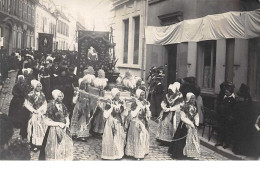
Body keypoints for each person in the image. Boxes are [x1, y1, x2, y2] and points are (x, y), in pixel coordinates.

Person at [39, 90, 73, 160]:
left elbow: (66, 116)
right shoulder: (50, 106)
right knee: (54, 145)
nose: (61, 98)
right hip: (54, 129)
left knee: (63, 144)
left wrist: (67, 123)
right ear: (55, 97)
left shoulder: (63, 105)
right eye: (59, 96)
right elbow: (46, 120)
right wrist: (58, 124)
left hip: (63, 128)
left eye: (62, 96)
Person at [168, 92, 200, 159]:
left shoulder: (194, 107)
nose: (193, 100)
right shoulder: (184, 107)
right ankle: (181, 153)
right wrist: (190, 123)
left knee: (193, 139)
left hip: (192, 126)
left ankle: (192, 154)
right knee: (182, 140)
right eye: (191, 99)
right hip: (185, 125)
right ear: (188, 99)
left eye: (194, 99)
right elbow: (183, 117)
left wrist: (196, 123)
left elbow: (196, 115)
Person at [125, 89, 151, 160]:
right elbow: (132, 114)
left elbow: (148, 114)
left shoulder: (145, 102)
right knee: (138, 137)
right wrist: (139, 107)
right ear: (138, 95)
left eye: (144, 95)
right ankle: (135, 153)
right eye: (141, 95)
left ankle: (142, 152)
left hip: (143, 121)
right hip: (136, 121)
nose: (143, 96)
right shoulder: (135, 103)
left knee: (143, 136)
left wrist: (147, 109)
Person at [101, 88, 127, 160]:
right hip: (111, 121)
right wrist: (112, 109)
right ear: (113, 95)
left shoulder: (120, 102)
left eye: (119, 95)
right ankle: (110, 154)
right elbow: (105, 114)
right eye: (117, 96)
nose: (118, 97)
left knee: (118, 137)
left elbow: (124, 113)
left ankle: (118, 153)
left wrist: (123, 107)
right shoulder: (110, 102)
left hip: (118, 121)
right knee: (111, 136)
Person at [24, 80, 47, 151]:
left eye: (40, 86)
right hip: (34, 113)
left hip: (40, 114)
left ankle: (40, 144)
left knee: (41, 128)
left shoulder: (42, 94)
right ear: (34, 87)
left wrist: (42, 110)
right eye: (37, 86)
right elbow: (27, 104)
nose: (39, 87)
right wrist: (33, 110)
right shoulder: (30, 95)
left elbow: (45, 103)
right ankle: (33, 144)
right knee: (33, 127)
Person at [232, 84, 252, 155]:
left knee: (240, 135)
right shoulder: (247, 99)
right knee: (240, 135)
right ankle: (239, 150)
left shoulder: (244, 101)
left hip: (241, 121)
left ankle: (238, 150)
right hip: (242, 121)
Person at [215, 82, 236, 148]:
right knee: (221, 129)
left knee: (227, 131)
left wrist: (230, 116)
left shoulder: (232, 99)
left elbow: (232, 109)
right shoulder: (225, 97)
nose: (226, 93)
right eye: (225, 92)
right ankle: (220, 142)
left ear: (230, 93)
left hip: (227, 117)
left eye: (227, 92)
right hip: (222, 116)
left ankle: (227, 143)